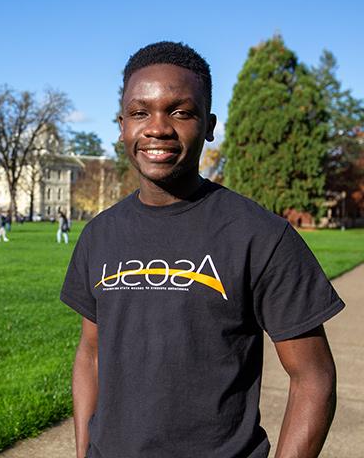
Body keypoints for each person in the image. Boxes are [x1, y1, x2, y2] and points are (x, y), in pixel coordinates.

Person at [60, 42, 344, 458]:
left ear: (209, 125)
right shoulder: (99, 234)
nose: (157, 128)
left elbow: (314, 378)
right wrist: (85, 451)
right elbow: (91, 355)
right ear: (121, 125)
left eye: (180, 111)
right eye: (140, 112)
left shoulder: (261, 236)